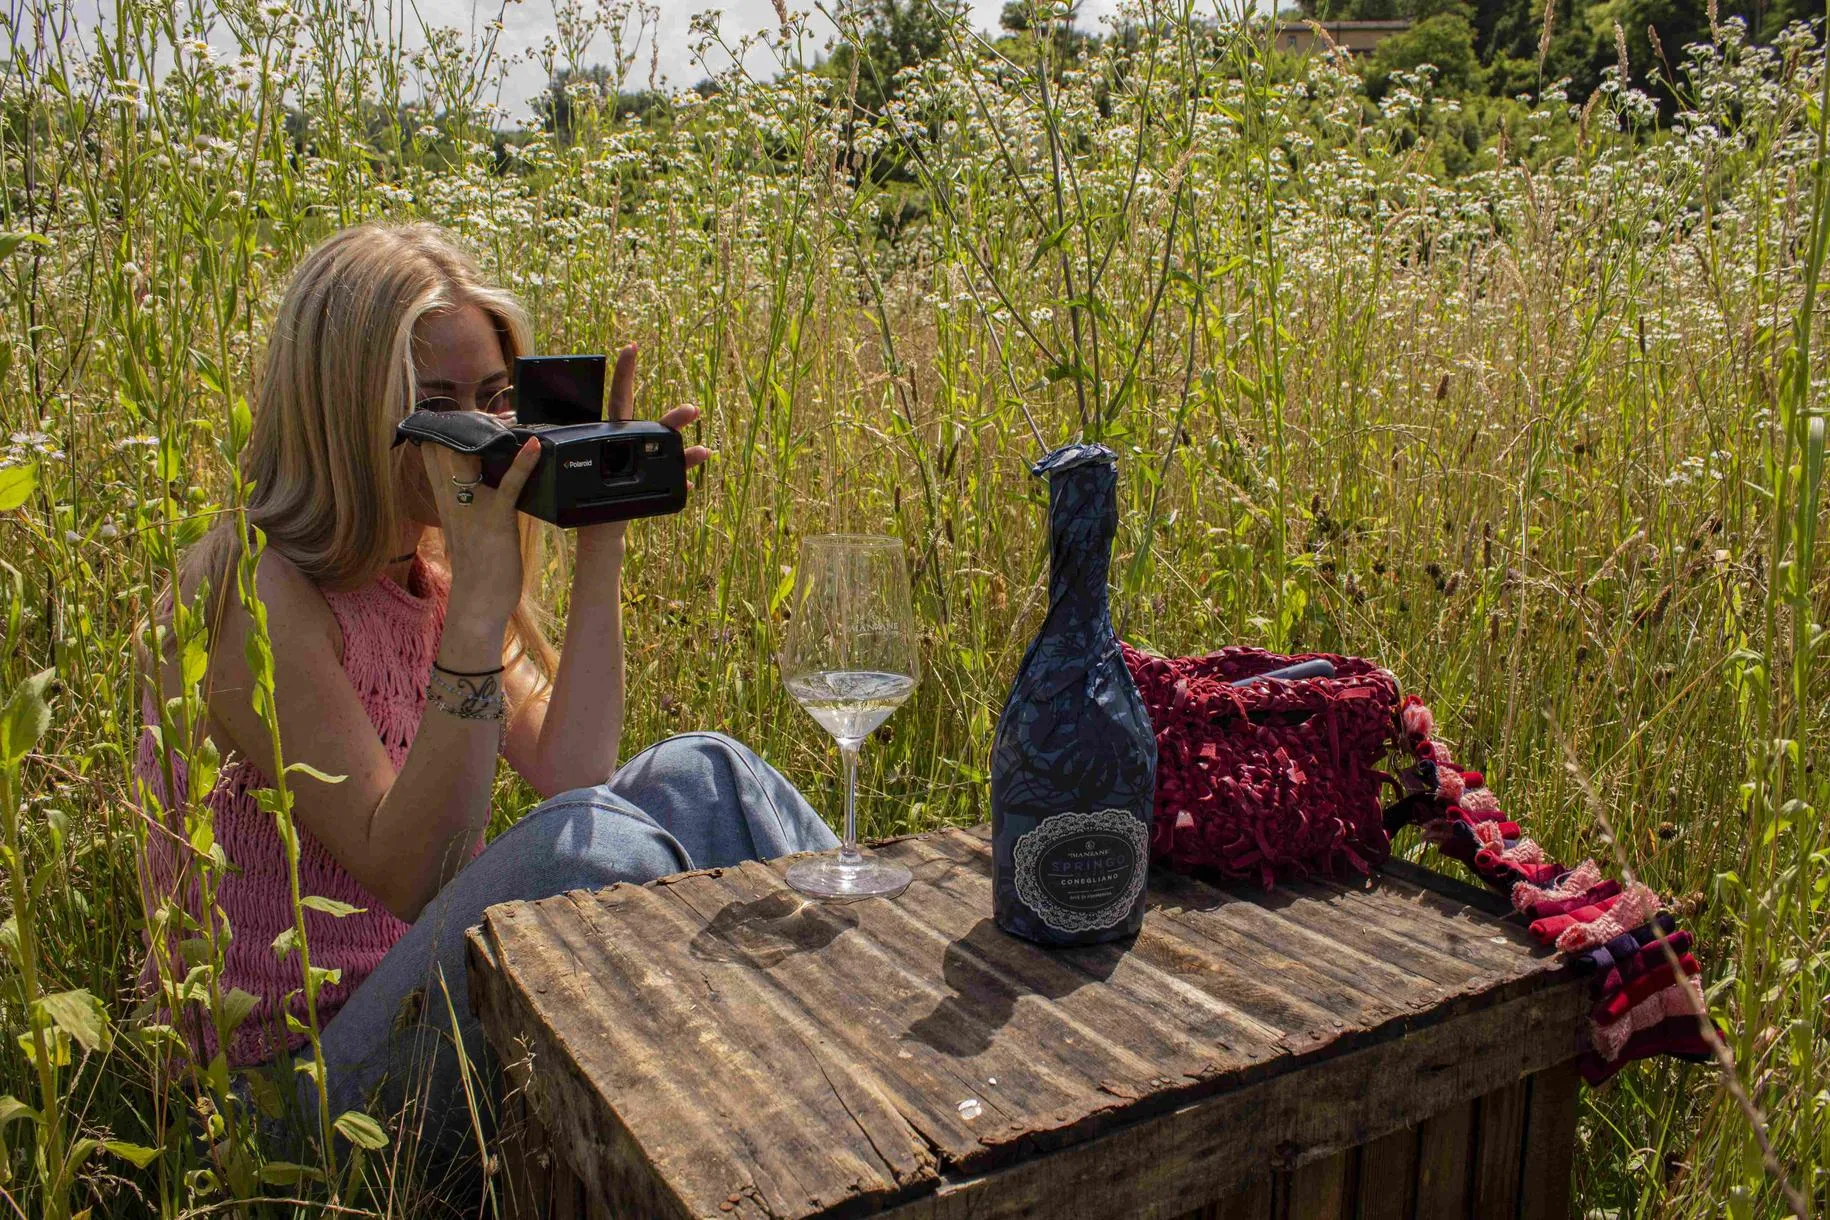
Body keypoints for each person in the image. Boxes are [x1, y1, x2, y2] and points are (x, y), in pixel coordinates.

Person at [132, 222, 837, 1178]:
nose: (484, 435)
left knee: (704, 772)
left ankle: (869, 1032)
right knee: (604, 845)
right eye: (440, 406)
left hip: (409, 1012)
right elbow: (414, 871)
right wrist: (476, 605)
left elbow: (572, 768)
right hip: (285, 1102)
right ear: (349, 410)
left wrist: (599, 534)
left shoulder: (423, 567)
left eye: (496, 401)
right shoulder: (250, 589)